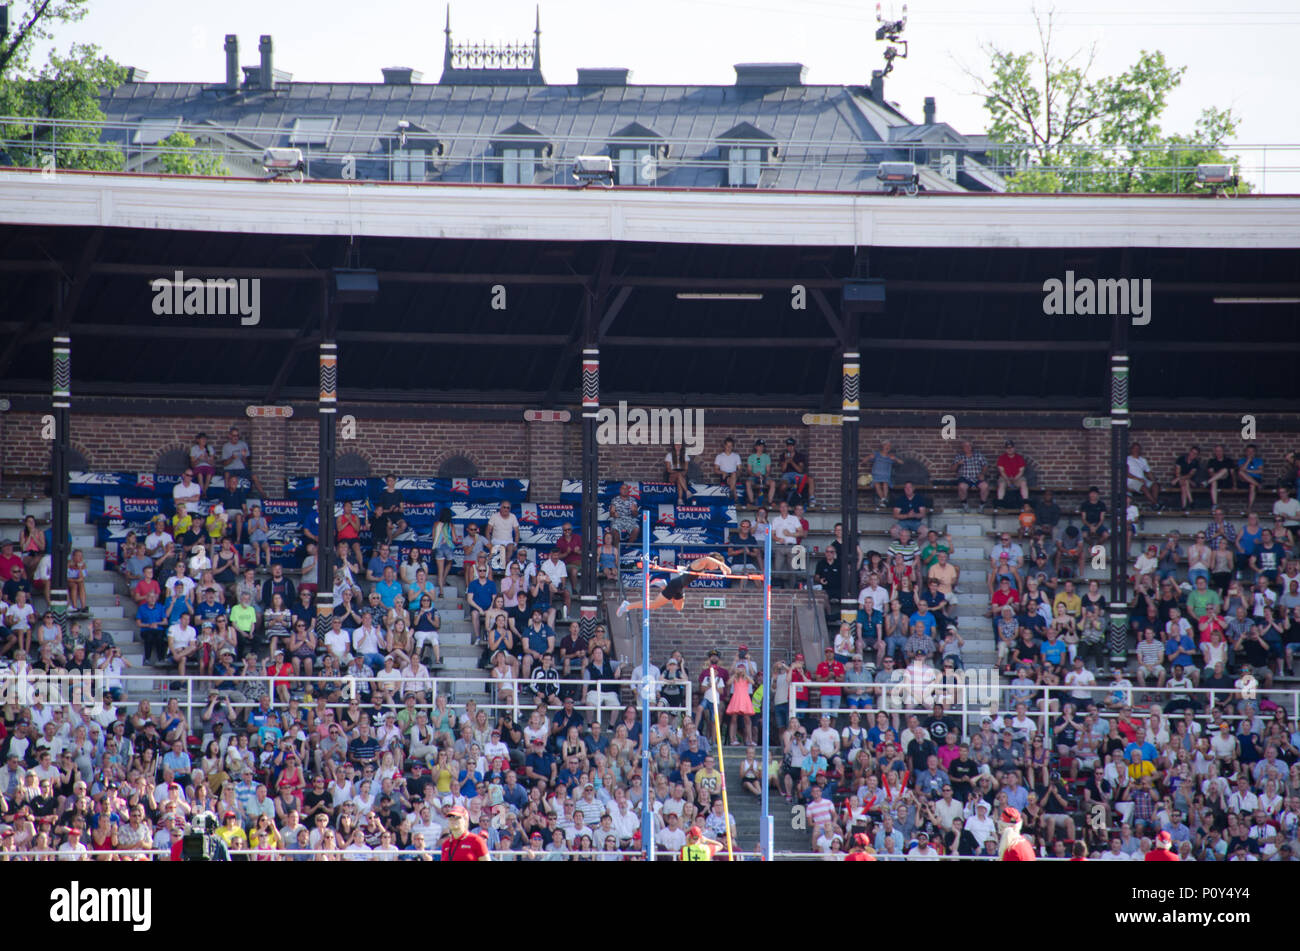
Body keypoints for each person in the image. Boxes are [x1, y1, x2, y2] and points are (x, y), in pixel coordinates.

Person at [616, 553, 730, 616]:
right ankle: (627, 605)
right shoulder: (700, 563)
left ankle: (664, 585)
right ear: (715, 561)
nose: (715, 568)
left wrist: (722, 569)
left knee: (678, 607)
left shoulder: (703, 568)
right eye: (716, 566)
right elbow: (707, 558)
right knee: (655, 604)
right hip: (676, 585)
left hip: (679, 587)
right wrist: (722, 565)